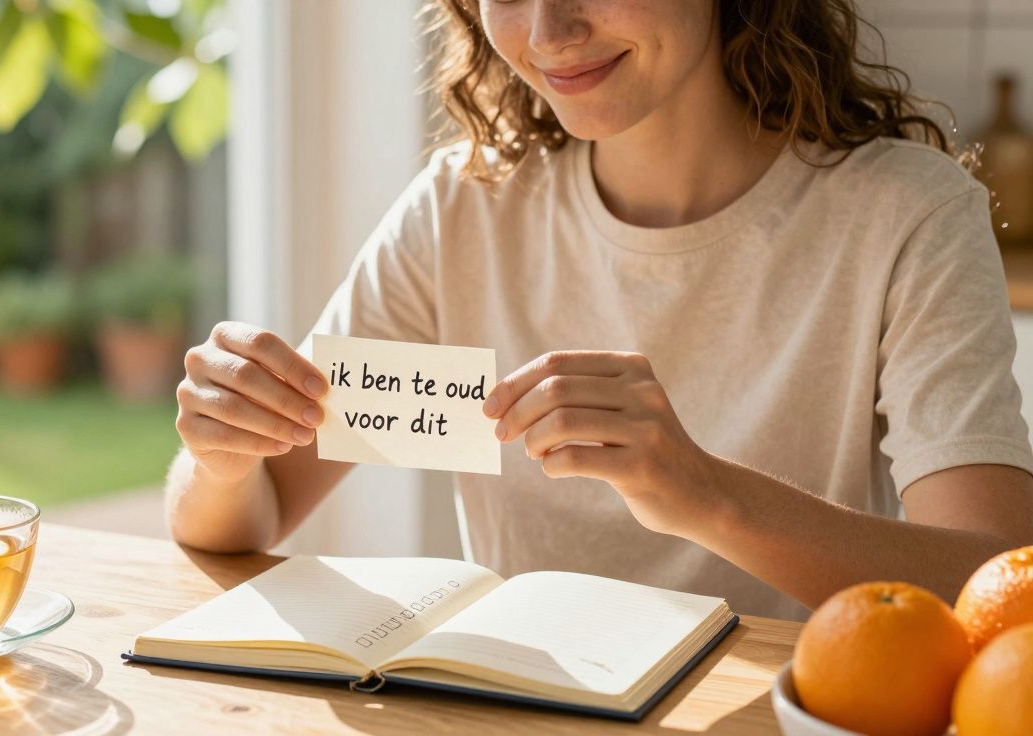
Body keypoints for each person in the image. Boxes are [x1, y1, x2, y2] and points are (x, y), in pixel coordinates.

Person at [163, 0, 1033, 621]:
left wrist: (704, 494)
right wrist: (221, 457)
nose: (549, 33)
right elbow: (256, 510)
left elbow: (1000, 582)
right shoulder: (462, 206)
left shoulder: (907, 214)